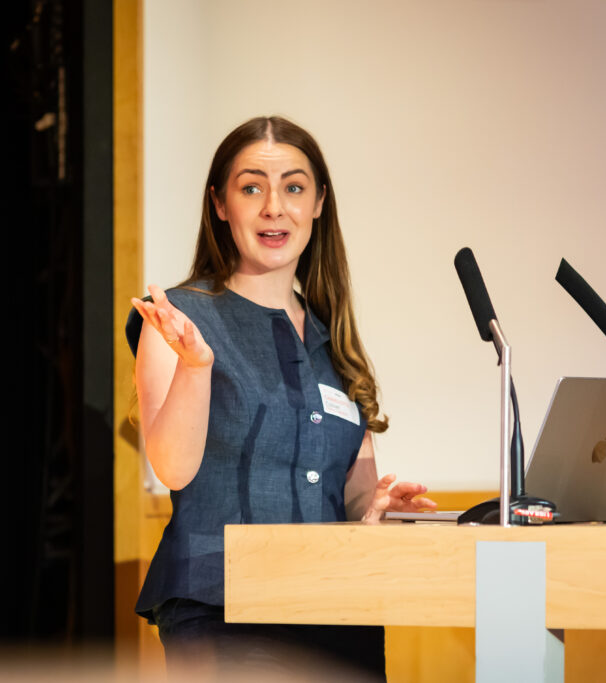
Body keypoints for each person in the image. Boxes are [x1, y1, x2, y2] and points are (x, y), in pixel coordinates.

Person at [127, 116, 435, 680]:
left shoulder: (334, 336)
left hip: (338, 609)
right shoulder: (178, 318)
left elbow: (355, 495)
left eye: (294, 187)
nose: (275, 207)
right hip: (222, 611)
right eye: (252, 188)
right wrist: (197, 367)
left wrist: (378, 510)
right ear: (221, 204)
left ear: (318, 203)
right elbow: (172, 467)